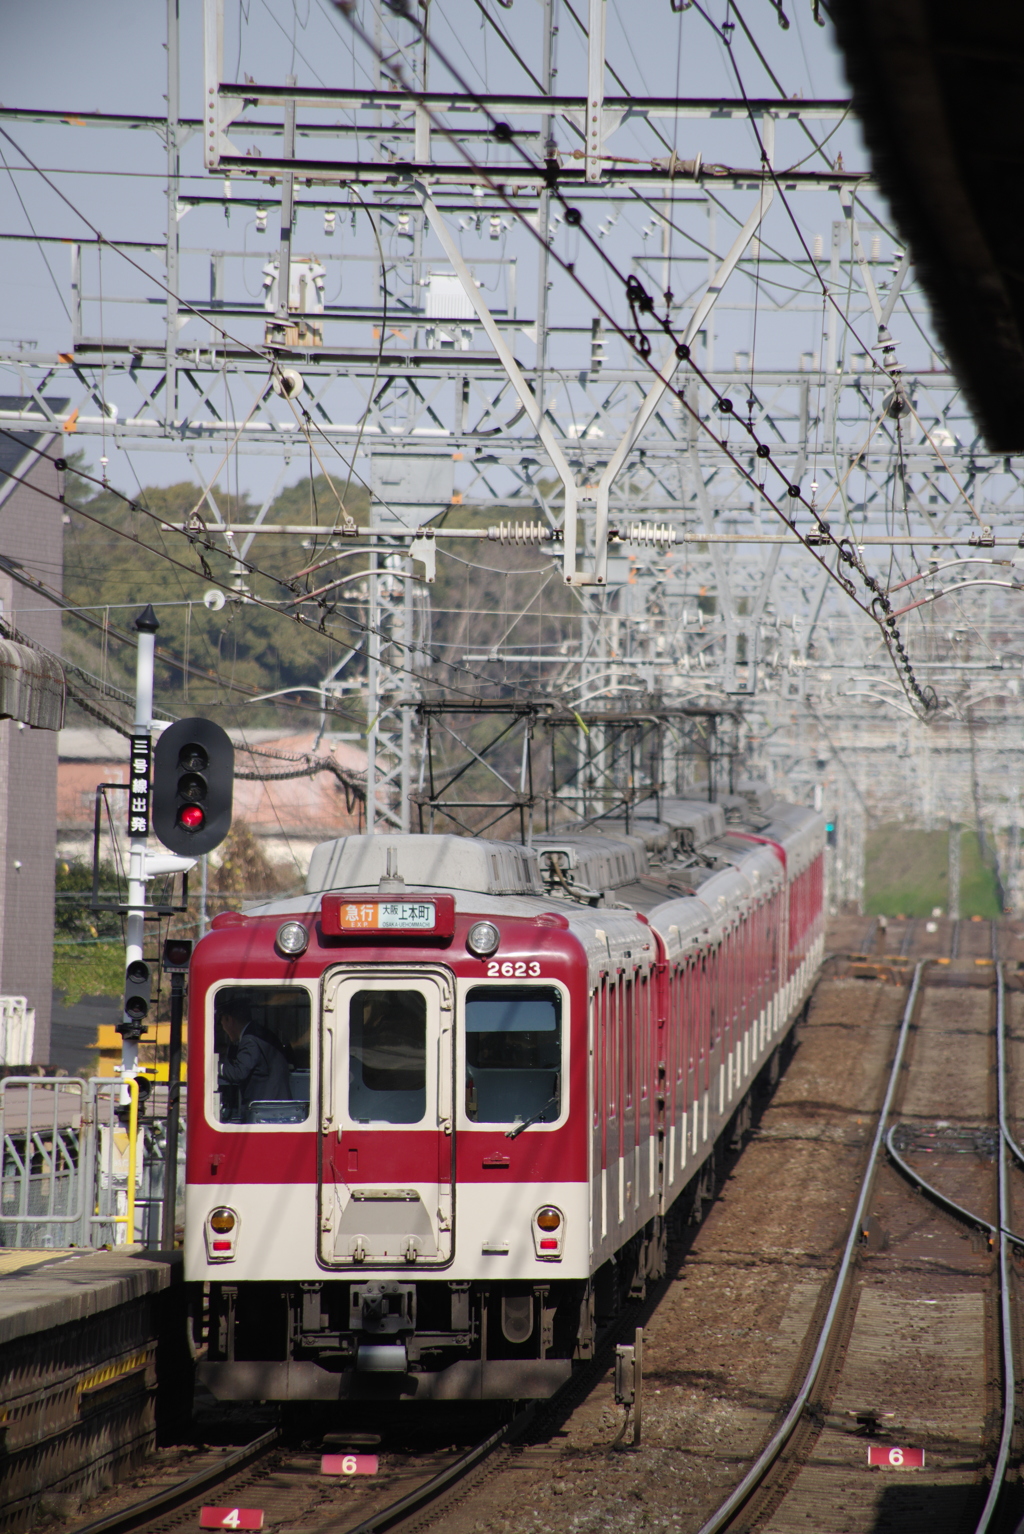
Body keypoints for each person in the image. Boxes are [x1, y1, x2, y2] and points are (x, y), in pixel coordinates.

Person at [216, 995, 293, 1119]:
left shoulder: (249, 1040)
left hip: (265, 1112)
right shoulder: (261, 1034)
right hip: (275, 1108)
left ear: (229, 1019)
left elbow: (239, 1073)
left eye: (222, 1023)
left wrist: (215, 1066)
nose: (223, 1029)